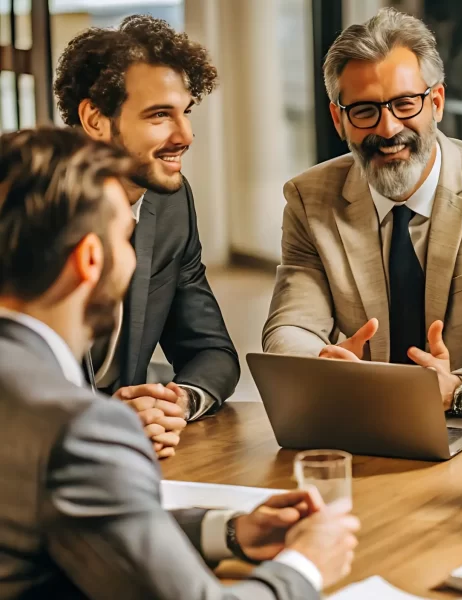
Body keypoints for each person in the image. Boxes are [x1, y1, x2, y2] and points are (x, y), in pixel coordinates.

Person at [0, 127, 358, 600]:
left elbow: (82, 522)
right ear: (89, 259)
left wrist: (228, 531)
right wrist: (304, 566)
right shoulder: (77, 429)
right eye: (125, 238)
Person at [262, 8, 462, 416]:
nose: (386, 129)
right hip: (363, 416)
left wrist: (458, 390)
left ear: (436, 102)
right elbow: (288, 327)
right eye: (365, 110)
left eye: (404, 104)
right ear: (338, 119)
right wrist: (322, 364)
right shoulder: (309, 198)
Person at [53, 15, 240, 458]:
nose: (185, 136)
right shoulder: (29, 207)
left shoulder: (170, 203)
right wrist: (105, 421)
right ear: (95, 120)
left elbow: (212, 351)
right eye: (160, 116)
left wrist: (177, 402)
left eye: (186, 113)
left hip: (137, 460)